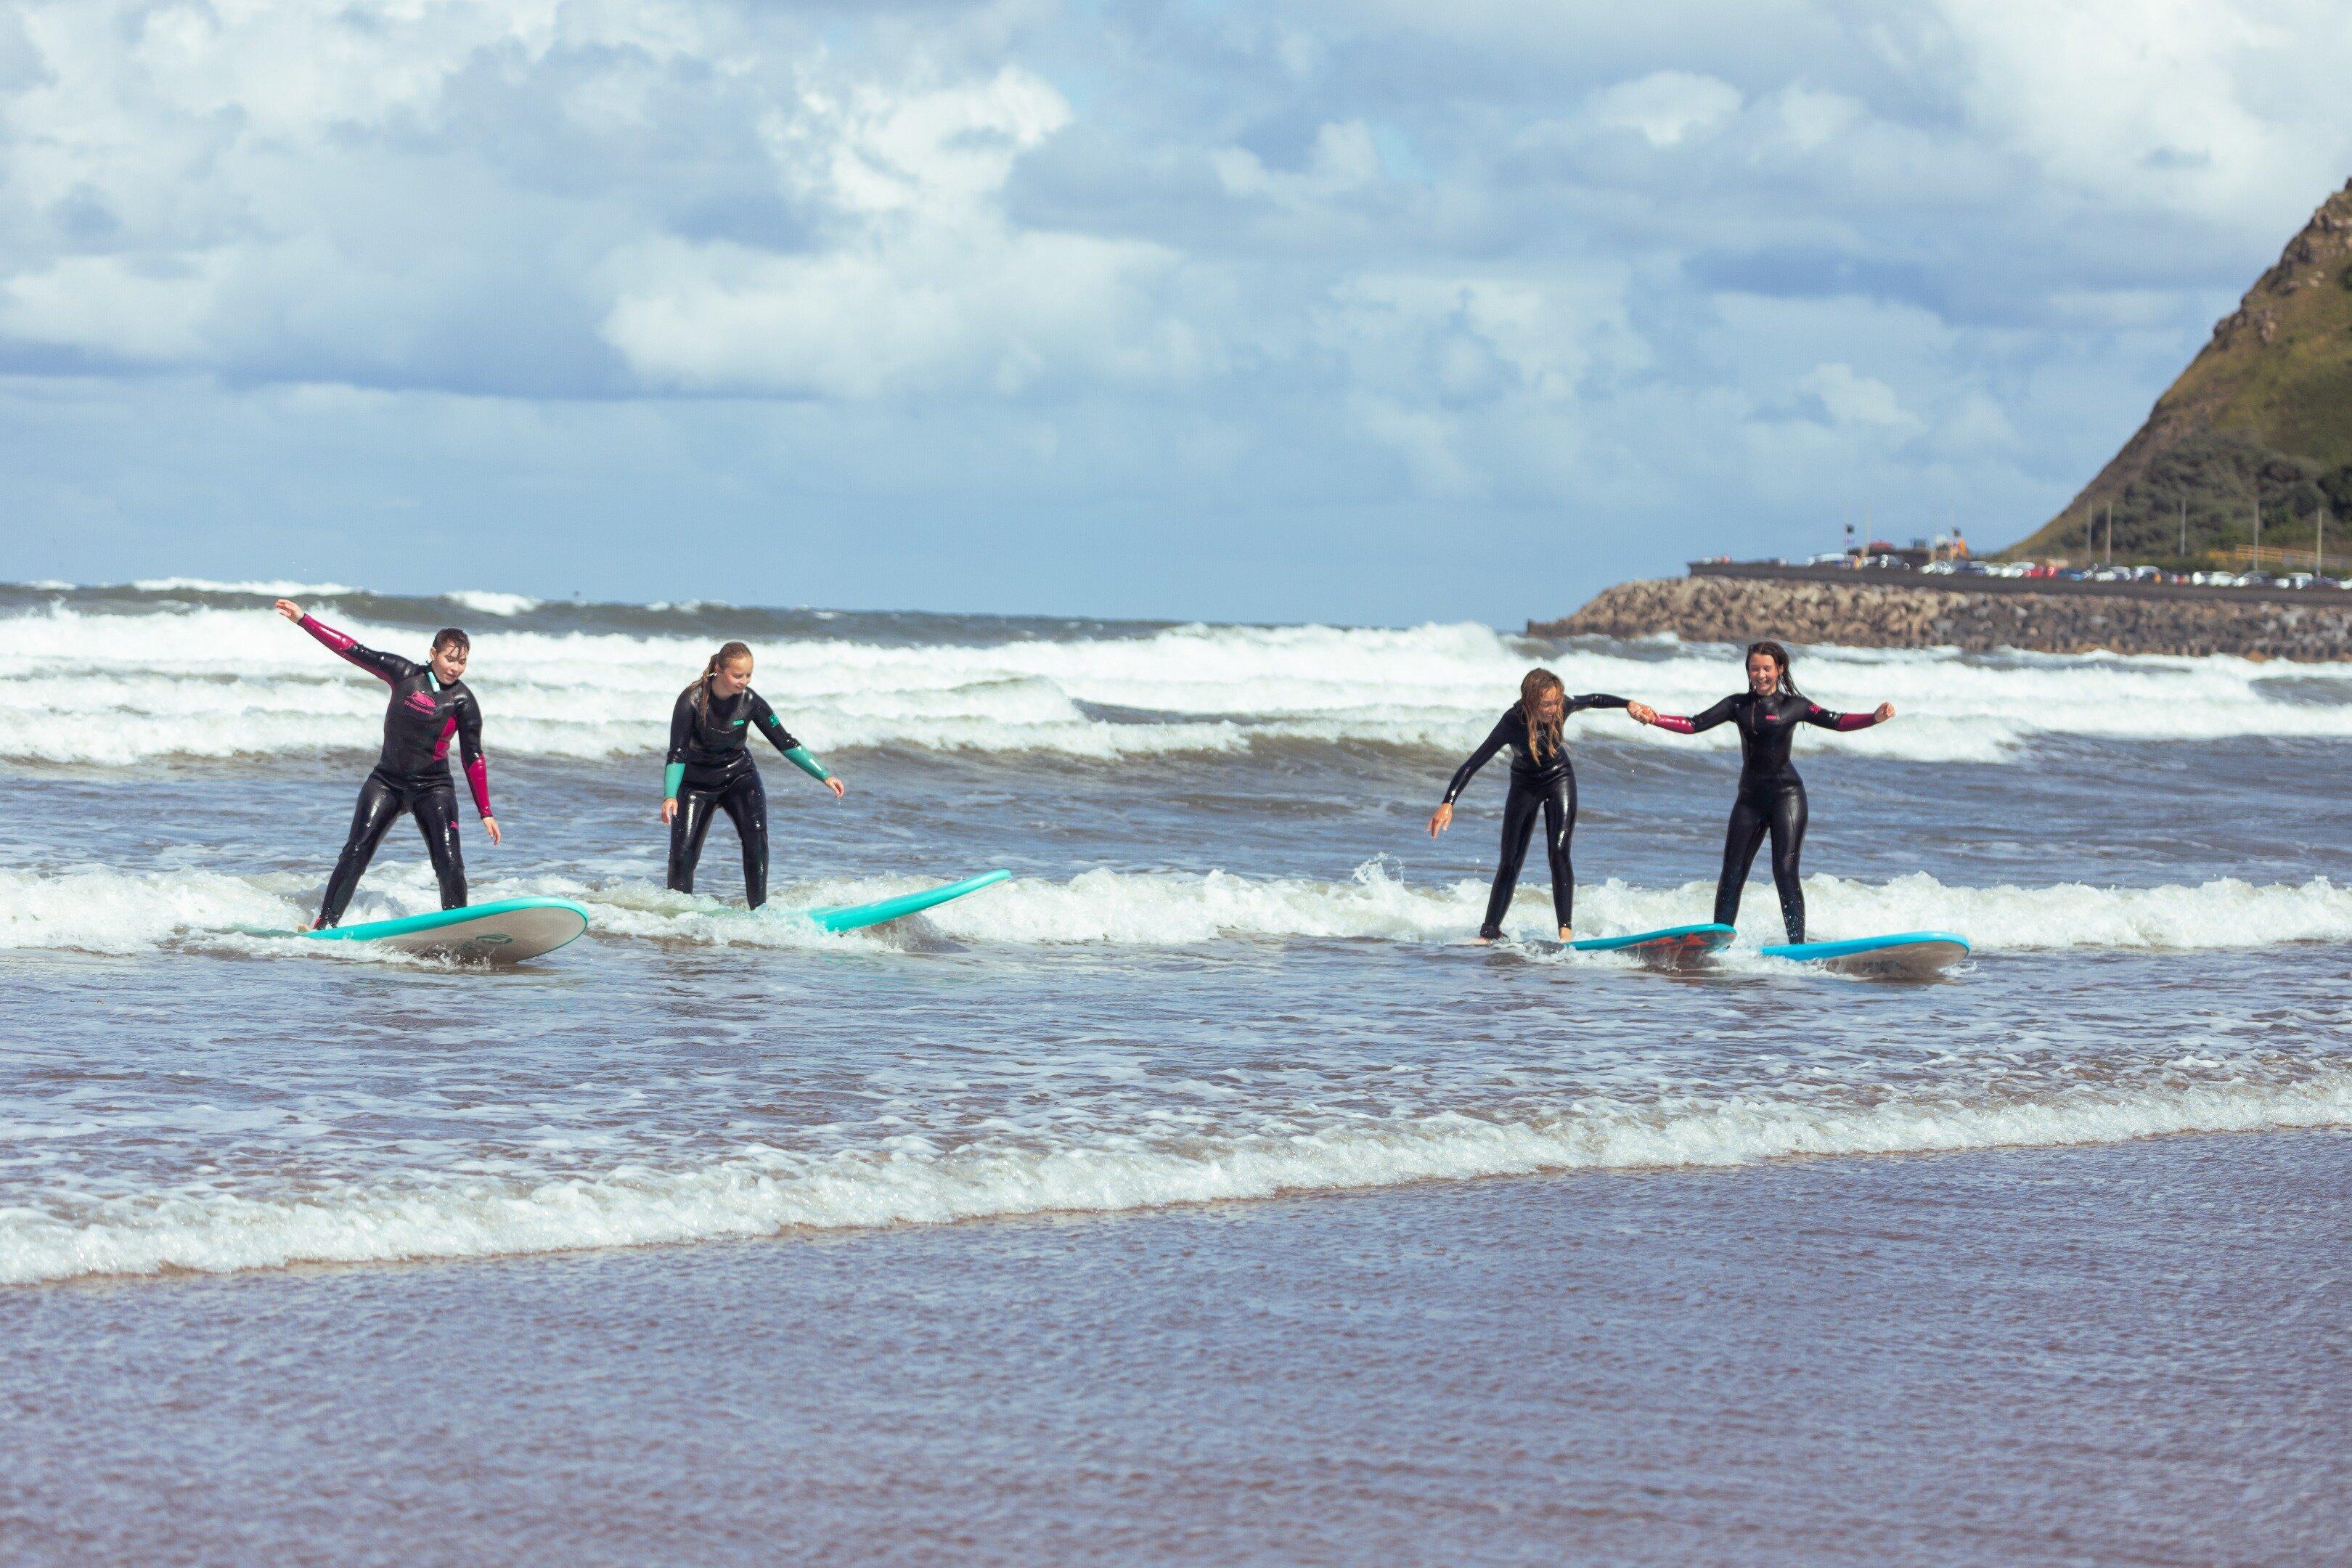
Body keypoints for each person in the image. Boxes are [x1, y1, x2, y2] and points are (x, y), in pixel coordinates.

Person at [1628, 640, 1893, 943]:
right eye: (1755, 668)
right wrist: (1654, 718)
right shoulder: (1737, 705)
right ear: (1748, 671)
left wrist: (1874, 717)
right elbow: (1693, 724)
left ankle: (1797, 945)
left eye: (1767, 668)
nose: (1761, 674)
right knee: (1732, 873)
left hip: (1787, 797)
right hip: (1750, 799)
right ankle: (1718, 942)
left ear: (1779, 669)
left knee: (1784, 870)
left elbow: (1837, 721)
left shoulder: (1795, 705)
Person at [274, 598, 499, 929]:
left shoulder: (463, 701)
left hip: (433, 789)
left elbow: (473, 757)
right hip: (387, 782)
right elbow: (352, 649)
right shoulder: (404, 674)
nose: (455, 667)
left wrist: (485, 811)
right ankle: (325, 924)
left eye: (462, 662)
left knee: (450, 863)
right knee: (355, 852)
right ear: (433, 653)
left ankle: (456, 930)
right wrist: (303, 620)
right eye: (450, 658)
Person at [1428, 668, 1632, 942]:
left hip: (1559, 778)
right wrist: (1448, 802)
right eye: (1546, 704)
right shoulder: (1512, 723)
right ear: (1529, 702)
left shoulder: (1562, 706)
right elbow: (1474, 762)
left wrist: (1628, 704)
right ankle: (1489, 932)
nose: (1554, 709)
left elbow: (1593, 699)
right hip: (1524, 784)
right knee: (1510, 861)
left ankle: (1566, 932)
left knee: (1558, 852)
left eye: (1556, 702)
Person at [663, 642, 845, 910]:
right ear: (719, 670)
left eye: (749, 675)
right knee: (683, 854)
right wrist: (670, 795)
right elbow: (677, 753)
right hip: (695, 785)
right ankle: (677, 914)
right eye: (738, 675)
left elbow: (785, 741)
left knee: (756, 839)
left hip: (739, 777)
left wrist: (824, 775)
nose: (744, 681)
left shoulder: (751, 702)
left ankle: (759, 910)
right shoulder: (690, 700)